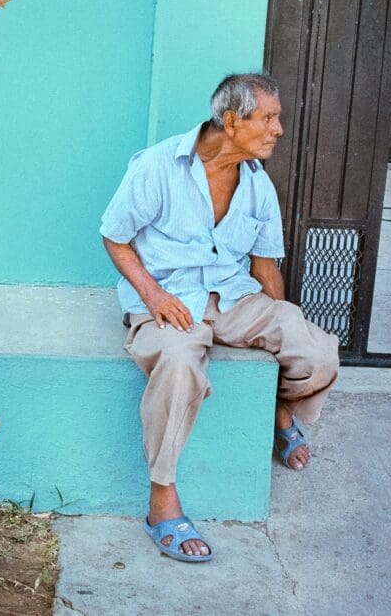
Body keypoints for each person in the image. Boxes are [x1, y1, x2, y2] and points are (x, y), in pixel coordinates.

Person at [100, 73, 340, 562]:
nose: (278, 129)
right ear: (231, 121)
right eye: (268, 118)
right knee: (179, 363)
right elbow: (115, 237)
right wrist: (152, 295)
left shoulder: (258, 185)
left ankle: (280, 411)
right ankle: (162, 499)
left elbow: (265, 266)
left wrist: (281, 324)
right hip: (169, 299)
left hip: (232, 297)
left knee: (316, 352)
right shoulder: (158, 166)